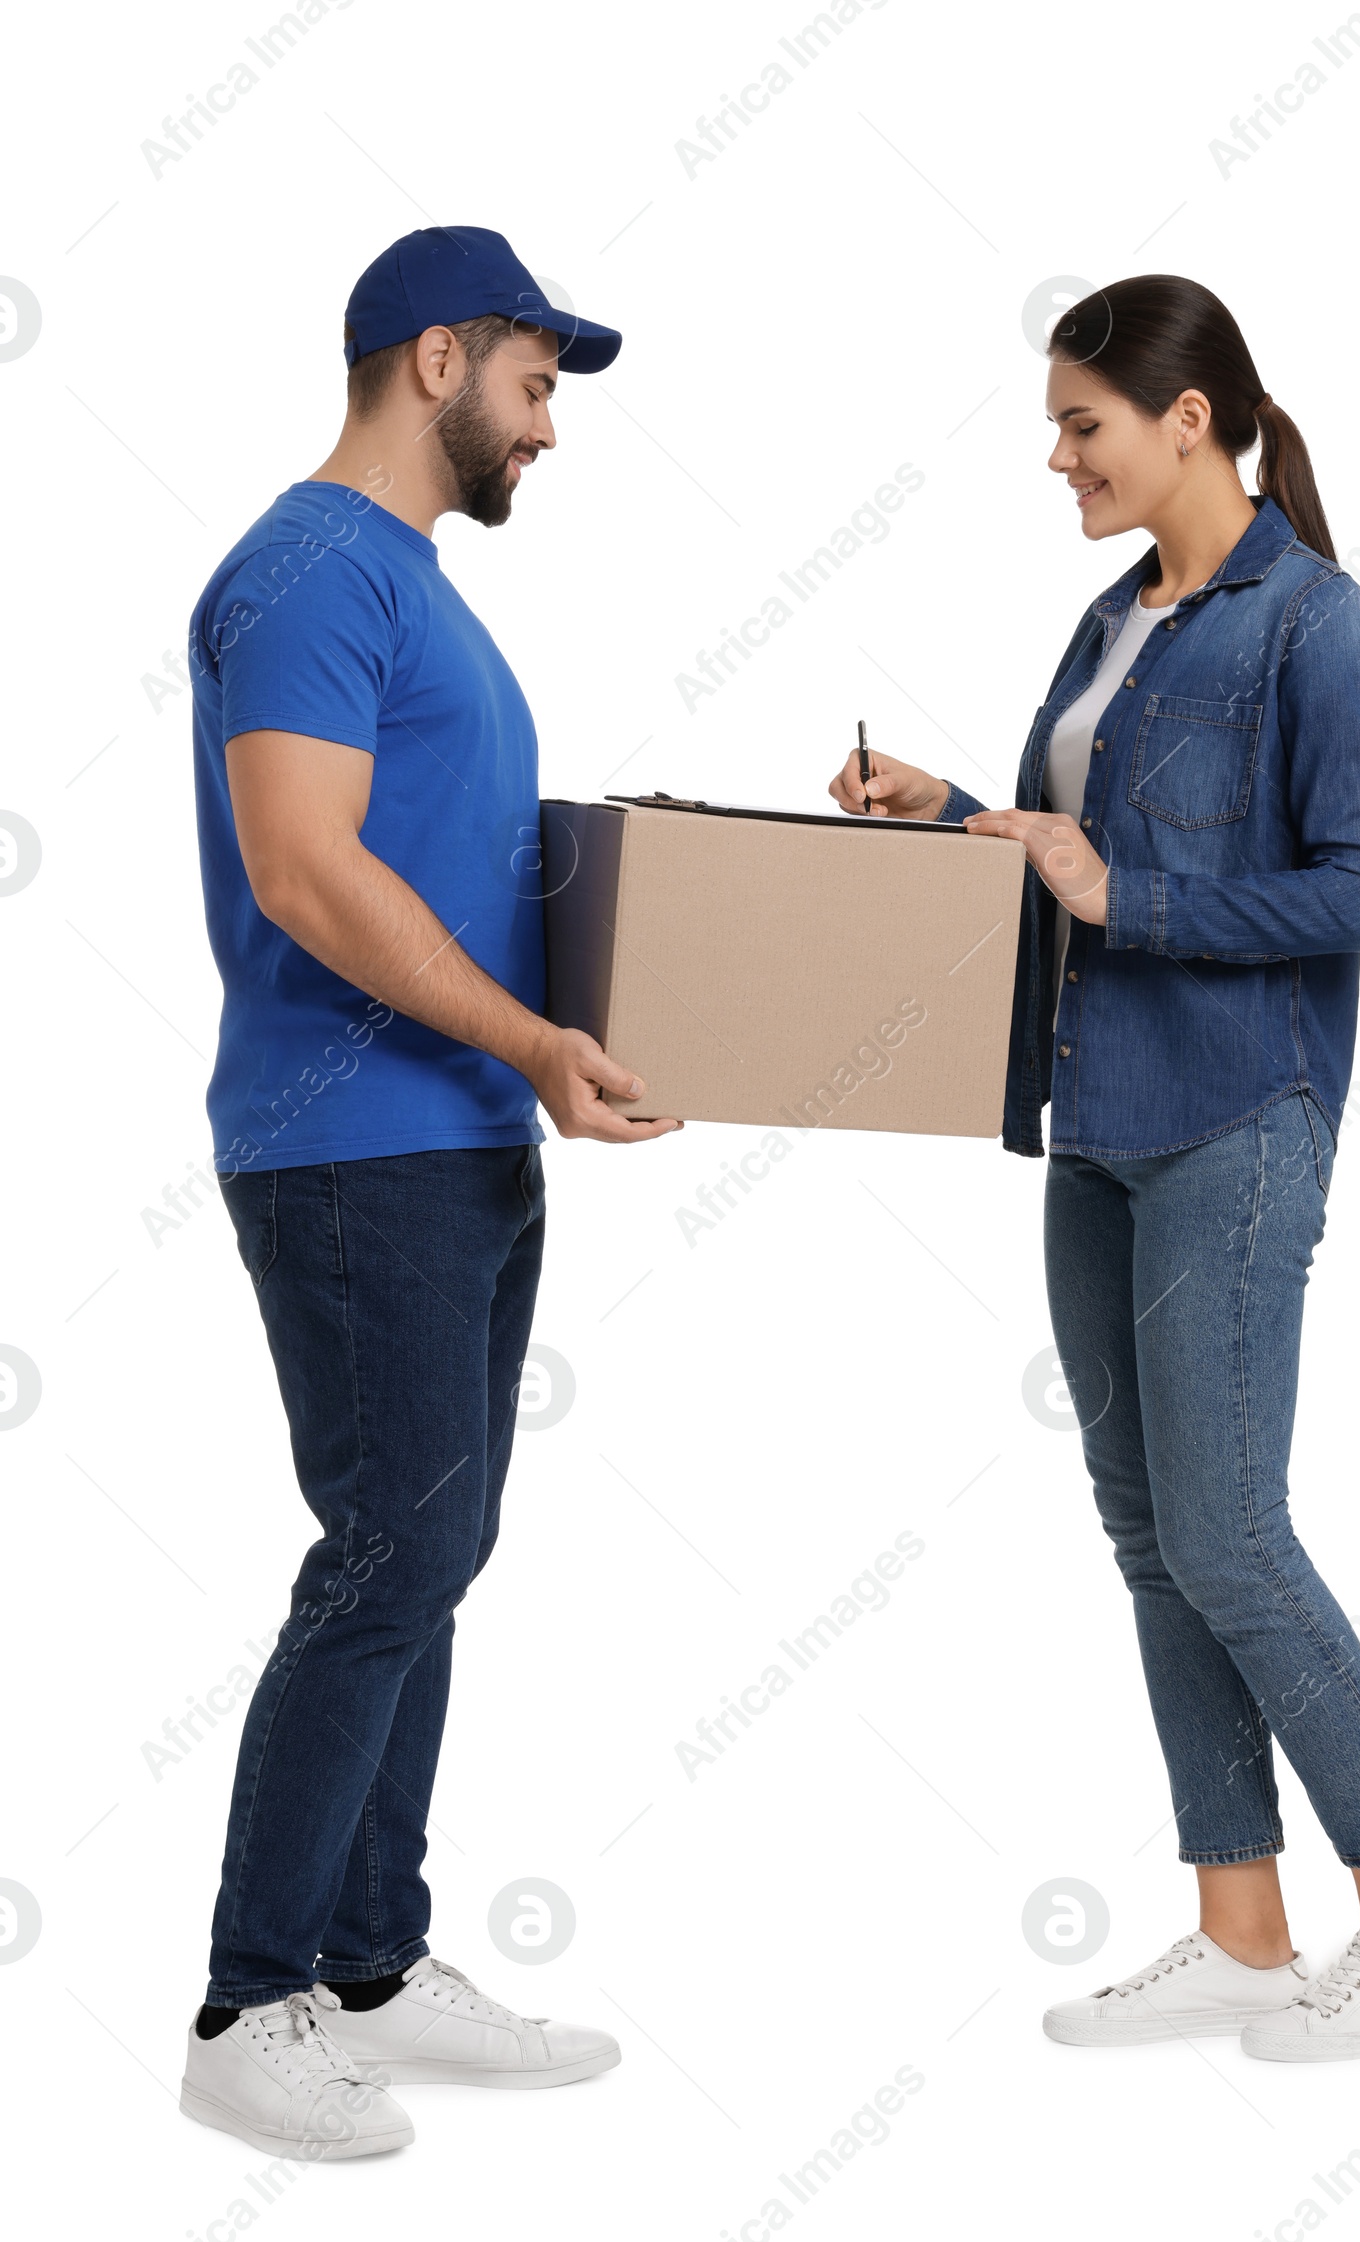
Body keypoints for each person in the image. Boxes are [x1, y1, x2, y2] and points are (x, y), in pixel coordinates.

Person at [829, 275, 1360, 2062]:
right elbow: (1078, 851)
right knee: (1147, 1537)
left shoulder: (1309, 619)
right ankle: (1243, 1927)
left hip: (1237, 1125)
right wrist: (961, 819)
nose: (1058, 457)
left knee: (1231, 1533)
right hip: (1092, 1125)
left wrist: (1131, 896)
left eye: (1081, 425)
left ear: (1187, 416)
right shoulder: (1115, 618)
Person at [179, 226, 681, 2160]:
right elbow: (305, 870)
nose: (548, 431)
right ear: (439, 359)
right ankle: (254, 1995)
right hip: (351, 1142)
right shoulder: (305, 569)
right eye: (538, 388)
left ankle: (372, 1960)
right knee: (390, 1552)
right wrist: (541, 1043)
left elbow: (461, 860)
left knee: (436, 1552)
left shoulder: (410, 586)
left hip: (456, 1137)